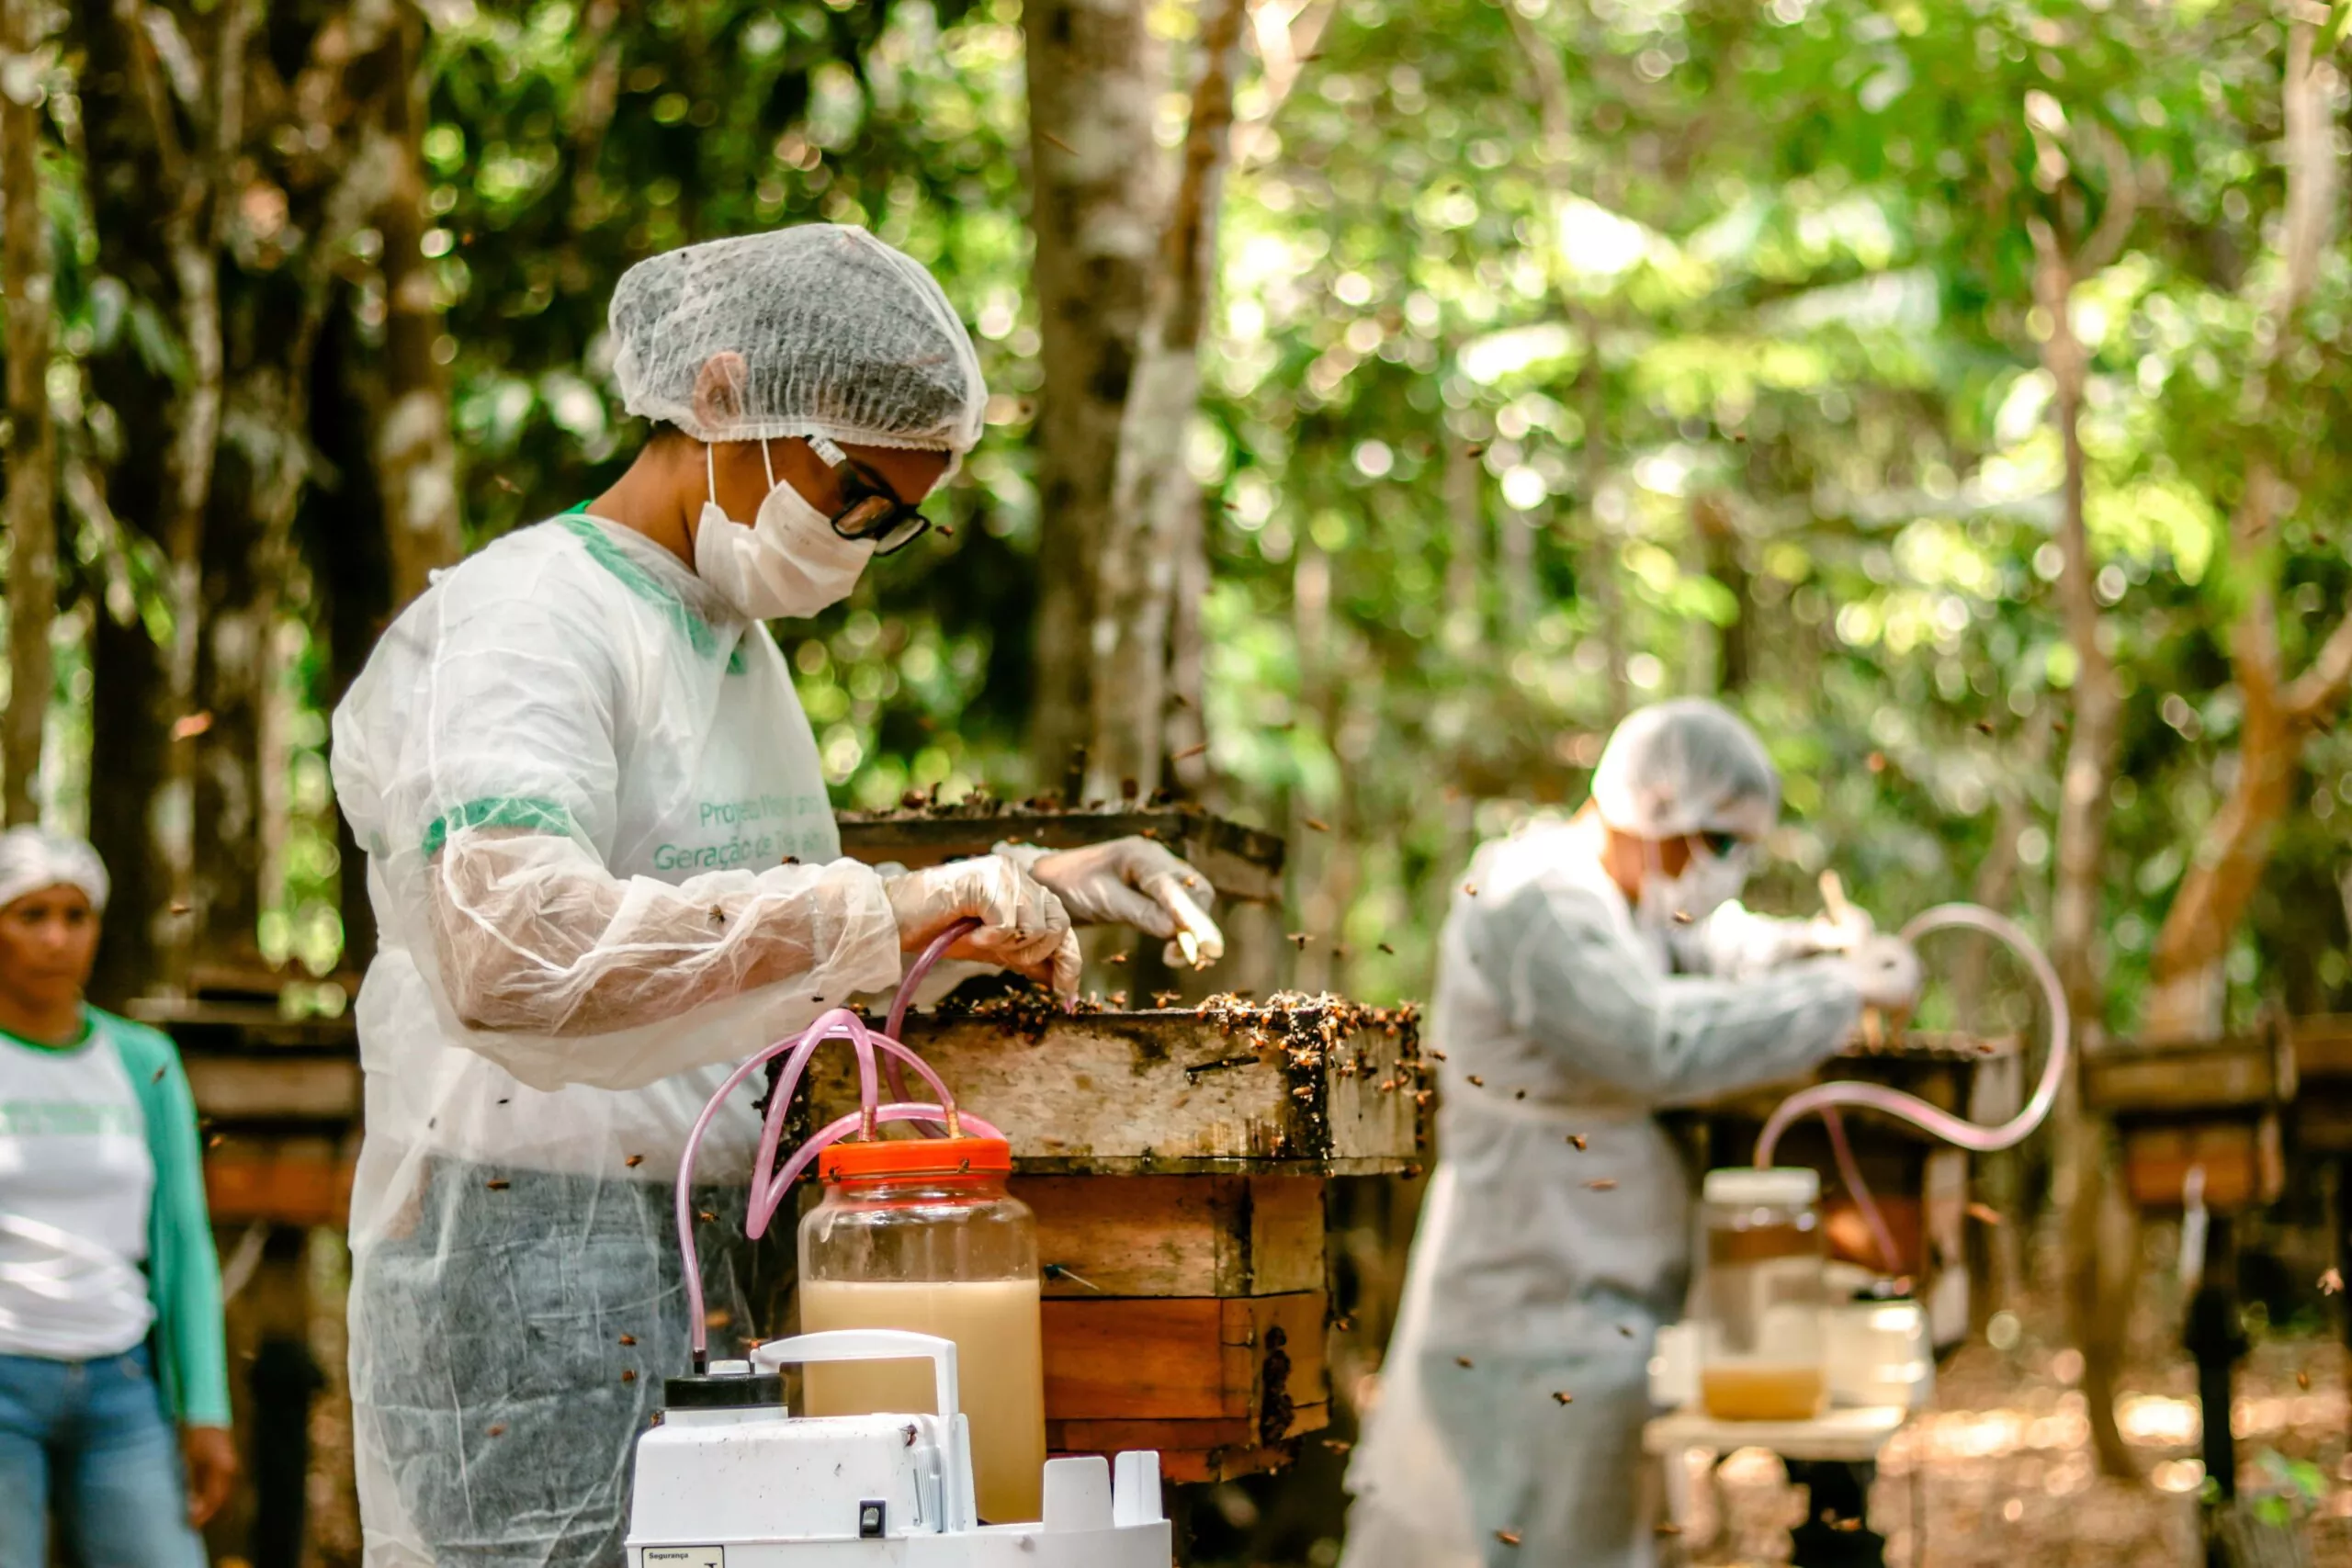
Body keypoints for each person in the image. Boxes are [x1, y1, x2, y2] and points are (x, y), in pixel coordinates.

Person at [331, 223, 1225, 1568]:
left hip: (711, 1225)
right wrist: (896, 902)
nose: (864, 539)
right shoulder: (525, 621)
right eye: (857, 491)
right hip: (526, 1238)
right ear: (723, 398)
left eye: (898, 517)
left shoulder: (724, 637)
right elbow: (509, 945)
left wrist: (1021, 886)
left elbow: (742, 924)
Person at [1340, 699, 1922, 1568]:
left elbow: (1722, 947)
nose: (1723, 870)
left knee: (1592, 1540)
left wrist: (1822, 950)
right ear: (1656, 808)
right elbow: (1656, 1040)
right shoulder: (1535, 895)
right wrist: (1840, 996)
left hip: (1599, 1307)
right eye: (1717, 842)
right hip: (1526, 1304)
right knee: (1502, 1539)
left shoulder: (1629, 902)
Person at [0, 828, 236, 1568]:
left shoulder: (142, 1060)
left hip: (122, 1381)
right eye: (31, 914)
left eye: (76, 916)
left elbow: (185, 1238)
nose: (56, 937)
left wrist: (205, 1406)